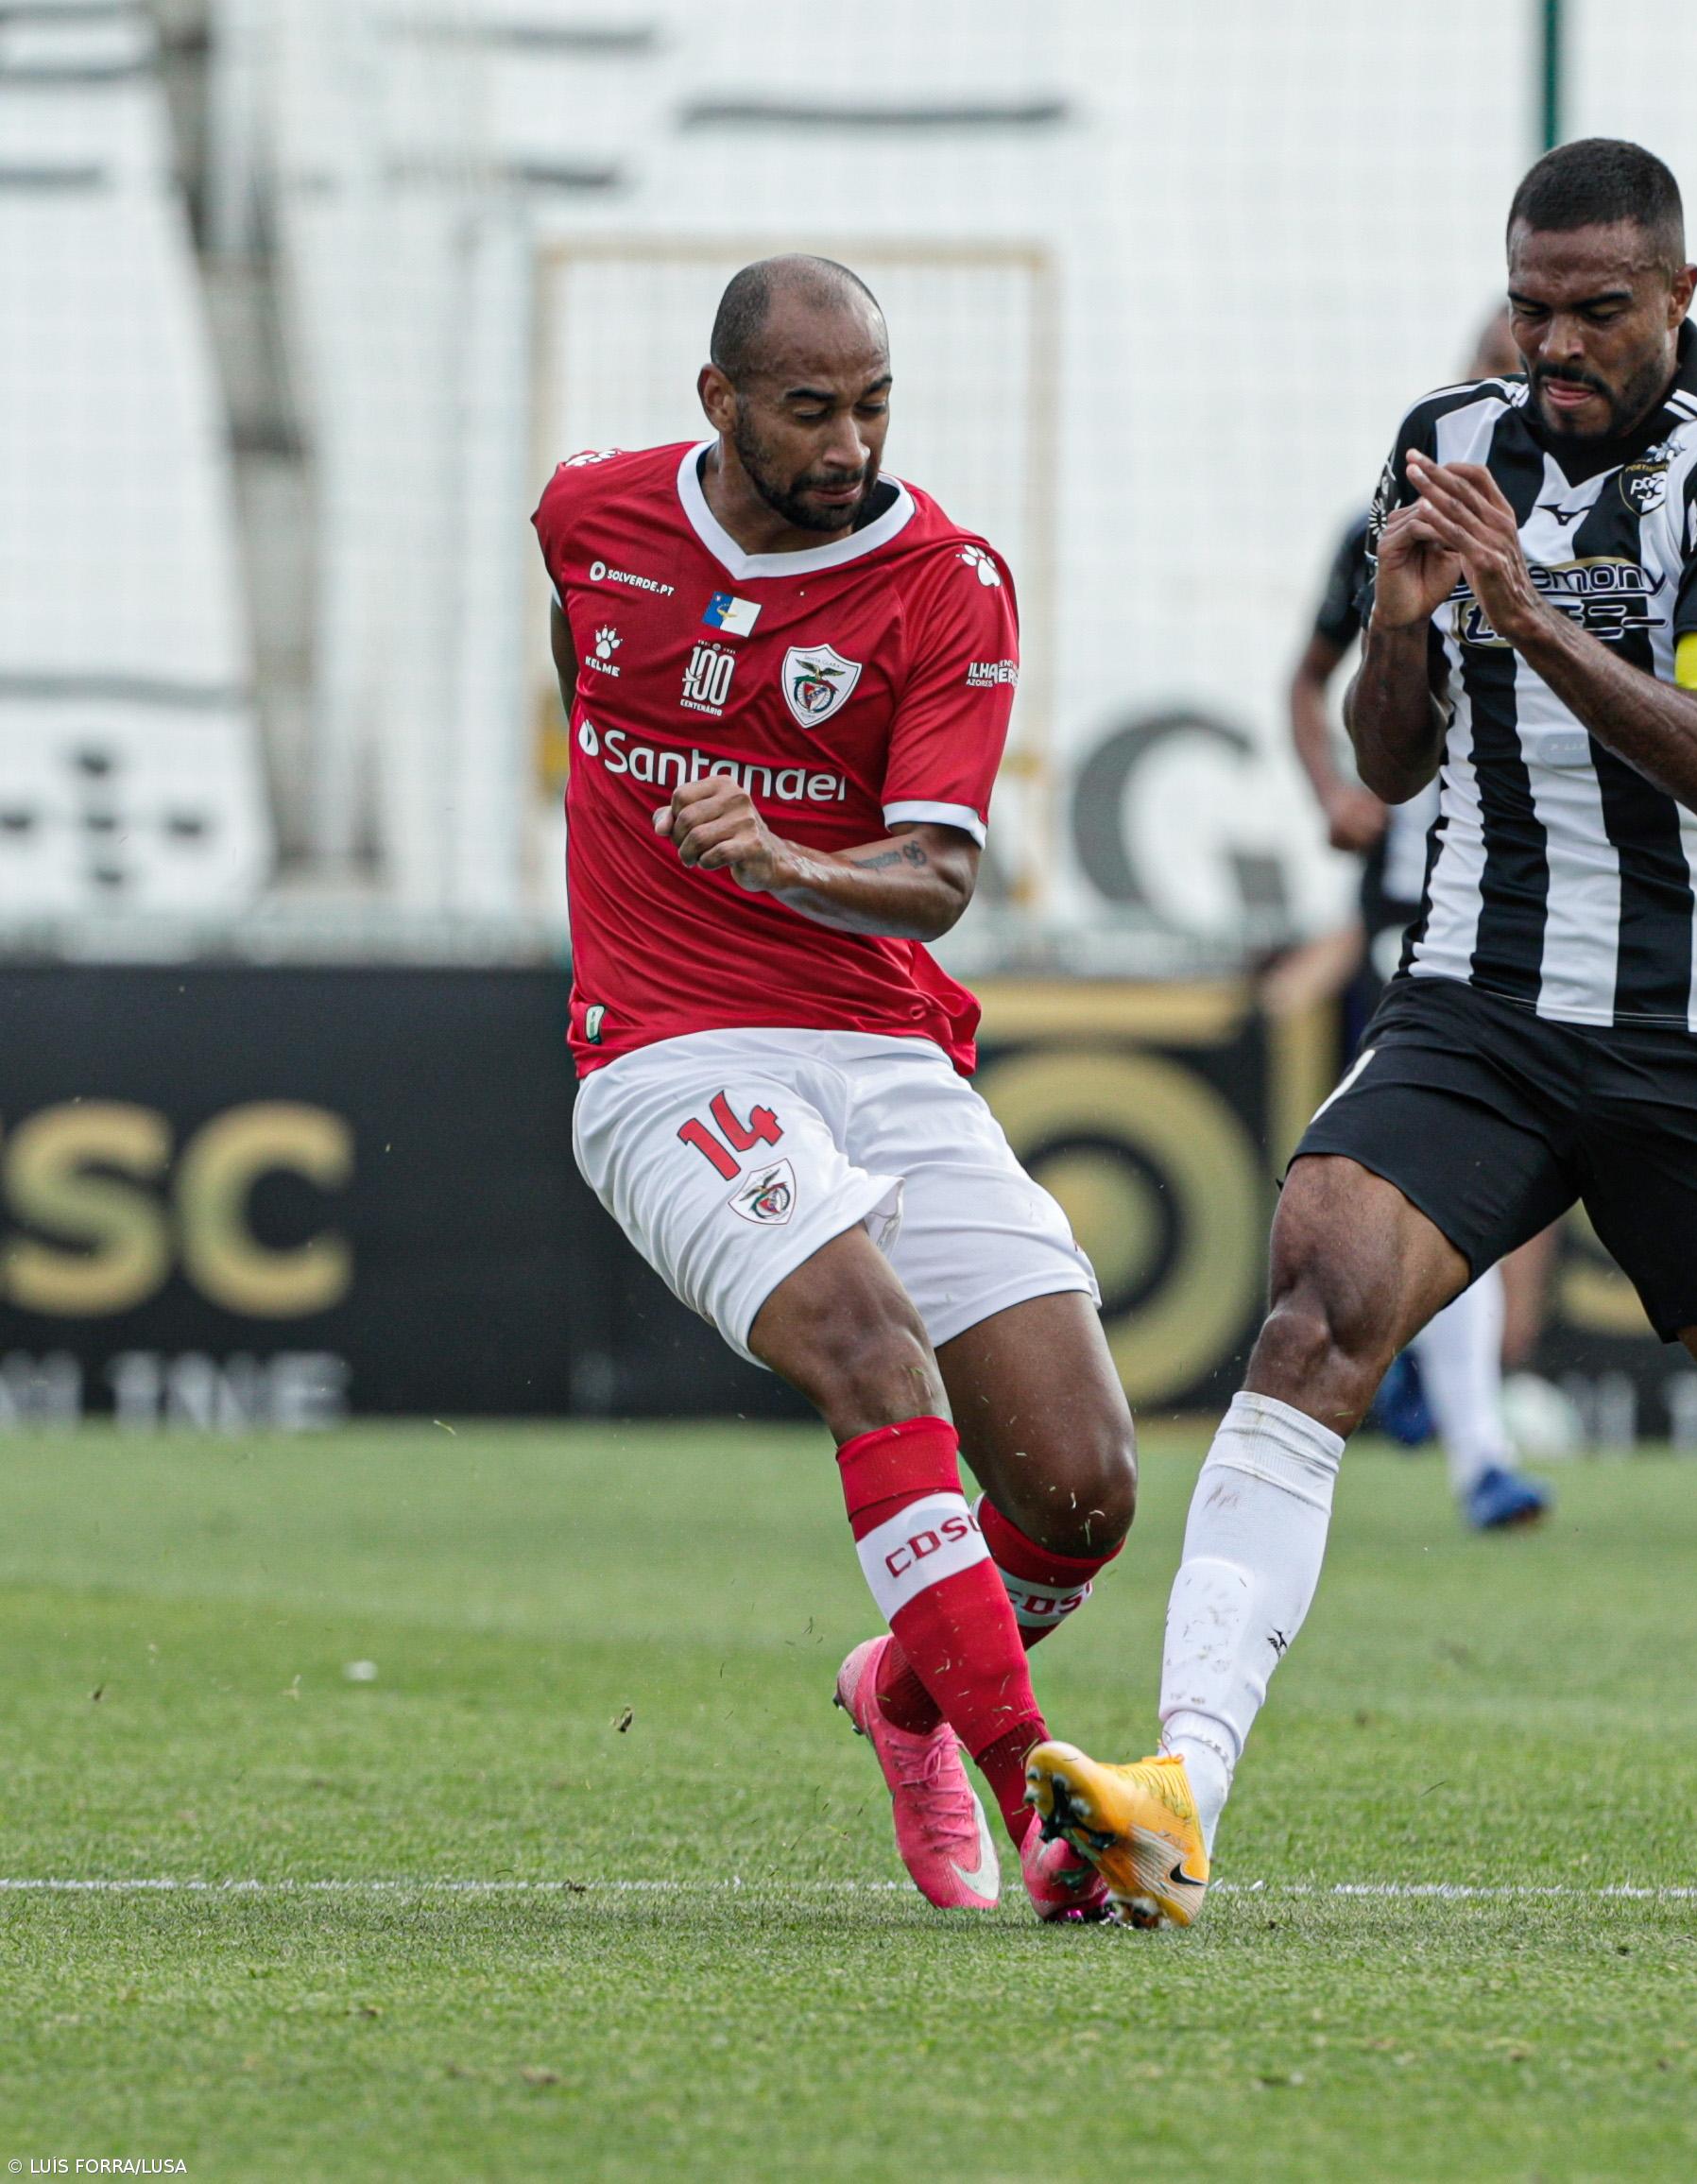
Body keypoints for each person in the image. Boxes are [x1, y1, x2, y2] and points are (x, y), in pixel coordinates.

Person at [1028, 140, 1697, 1927]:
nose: (1554, 347)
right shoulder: (1452, 439)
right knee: (1316, 1304)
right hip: (1476, 1003)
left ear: (1680, 299)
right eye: (1533, 305)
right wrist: (1405, 628)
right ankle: (1180, 1786)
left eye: (1597, 312)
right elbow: (1391, 753)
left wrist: (1523, 612)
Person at [536, 256, 1138, 1919]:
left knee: (1082, 1488)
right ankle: (1041, 1805)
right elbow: (594, 689)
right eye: (812, 410)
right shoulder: (587, 519)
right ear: (718, 400)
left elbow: (941, 878)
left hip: (884, 1048)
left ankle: (904, 1687)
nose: (852, 443)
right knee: (869, 1346)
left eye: (875, 405)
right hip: (667, 1052)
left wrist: (787, 852)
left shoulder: (945, 580)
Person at [1282, 311, 1559, 1532]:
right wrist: (1335, 793)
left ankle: (1452, 1395)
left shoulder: (1614, 522)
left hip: (1551, 910)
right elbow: (1309, 676)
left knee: (1498, 1186)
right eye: (1505, 363)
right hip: (1419, 910)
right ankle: (1470, 1437)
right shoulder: (1388, 520)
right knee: (1417, 1171)